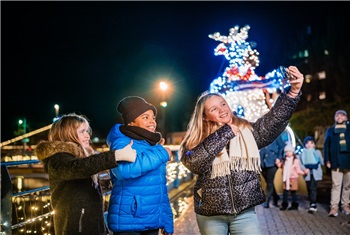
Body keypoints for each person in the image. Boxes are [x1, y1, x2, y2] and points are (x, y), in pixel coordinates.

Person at [179, 66, 304, 234]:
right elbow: (195, 163)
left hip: (244, 213)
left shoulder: (246, 130)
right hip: (211, 215)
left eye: (223, 104)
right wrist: (225, 133)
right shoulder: (196, 139)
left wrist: (293, 93)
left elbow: (273, 121)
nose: (222, 109)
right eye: (214, 109)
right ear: (204, 117)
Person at [35, 113, 136, 235]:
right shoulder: (57, 158)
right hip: (76, 228)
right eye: (82, 131)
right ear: (67, 134)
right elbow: (78, 167)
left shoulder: (83, 156)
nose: (88, 135)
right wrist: (116, 155)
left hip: (91, 225)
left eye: (87, 131)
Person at [106, 96, 174, 235]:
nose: (152, 122)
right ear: (131, 122)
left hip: (152, 221)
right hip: (129, 222)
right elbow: (124, 170)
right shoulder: (121, 142)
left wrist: (167, 220)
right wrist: (161, 152)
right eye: (145, 117)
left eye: (153, 118)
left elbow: (159, 188)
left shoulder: (152, 145)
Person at [324, 109, 350, 217]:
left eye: (342, 115)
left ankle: (345, 205)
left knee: (347, 186)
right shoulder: (330, 130)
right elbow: (326, 146)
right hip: (335, 162)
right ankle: (334, 207)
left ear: (346, 118)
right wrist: (327, 160)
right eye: (337, 115)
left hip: (348, 161)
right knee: (336, 185)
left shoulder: (349, 129)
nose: (339, 117)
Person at [276, 142, 308, 211]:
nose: (288, 153)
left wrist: (303, 172)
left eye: (289, 151)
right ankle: (284, 204)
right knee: (285, 192)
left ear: (293, 152)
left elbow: (298, 169)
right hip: (285, 178)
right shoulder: (285, 160)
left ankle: (294, 204)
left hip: (293, 178)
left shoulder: (296, 160)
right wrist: (278, 163)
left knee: (293, 192)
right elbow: (281, 166)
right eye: (286, 151)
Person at [259, 133, 285, 208]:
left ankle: (267, 201)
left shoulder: (276, 134)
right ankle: (276, 197)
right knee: (269, 181)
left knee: (269, 182)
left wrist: (279, 158)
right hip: (262, 163)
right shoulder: (260, 134)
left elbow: (282, 146)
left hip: (273, 162)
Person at [300, 136, 324, 213]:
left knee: (313, 188)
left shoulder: (317, 152)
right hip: (307, 174)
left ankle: (313, 204)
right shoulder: (303, 153)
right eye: (307, 143)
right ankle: (312, 202)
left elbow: (321, 162)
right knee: (309, 188)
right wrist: (304, 169)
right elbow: (300, 163)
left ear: (314, 144)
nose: (309, 144)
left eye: (311, 143)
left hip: (315, 172)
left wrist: (317, 163)